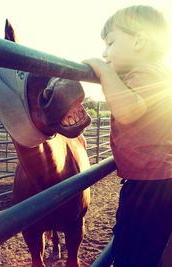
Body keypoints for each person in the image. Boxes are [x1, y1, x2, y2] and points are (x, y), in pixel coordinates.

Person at [83, 5, 172, 267]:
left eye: (110, 42)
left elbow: (129, 110)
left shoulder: (146, 73)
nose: (104, 53)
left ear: (139, 40)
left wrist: (102, 69)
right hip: (159, 180)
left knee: (131, 251)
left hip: (151, 184)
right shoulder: (159, 74)